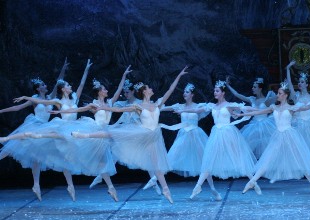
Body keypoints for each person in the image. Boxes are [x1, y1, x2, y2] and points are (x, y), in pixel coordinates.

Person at [71, 66, 189, 204]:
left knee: (157, 166)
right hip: (141, 133)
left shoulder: (157, 103)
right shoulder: (138, 107)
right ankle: (84, 135)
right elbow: (118, 109)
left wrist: (179, 76)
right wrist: (104, 107)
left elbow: (170, 90)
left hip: (154, 137)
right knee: (112, 133)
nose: (152, 89)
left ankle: (166, 190)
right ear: (145, 91)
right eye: (149, 88)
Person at [9, 59, 92, 201]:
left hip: (72, 129)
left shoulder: (75, 99)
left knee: (68, 156)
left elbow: (81, 84)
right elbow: (41, 101)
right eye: (68, 85)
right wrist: (25, 97)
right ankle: (40, 184)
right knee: (37, 153)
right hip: (58, 129)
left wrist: (86, 69)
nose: (70, 86)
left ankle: (70, 185)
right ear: (63, 89)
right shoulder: (57, 101)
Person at [49, 65, 133, 201]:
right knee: (92, 159)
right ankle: (101, 185)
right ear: (100, 92)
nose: (106, 90)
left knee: (104, 161)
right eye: (104, 89)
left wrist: (124, 75)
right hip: (95, 132)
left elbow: (118, 90)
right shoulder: (94, 104)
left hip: (106, 133)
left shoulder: (110, 102)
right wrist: (59, 112)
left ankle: (110, 187)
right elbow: (77, 110)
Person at [237, 82, 310, 198]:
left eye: (279, 93)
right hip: (278, 136)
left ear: (285, 95)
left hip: (290, 136)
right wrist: (242, 115)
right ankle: (251, 182)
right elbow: (258, 112)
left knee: (300, 160)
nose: (277, 95)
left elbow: (305, 107)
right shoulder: (274, 107)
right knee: (267, 160)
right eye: (278, 93)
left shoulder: (291, 108)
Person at [0, 58, 68, 201]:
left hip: (44, 128)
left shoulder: (50, 97)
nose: (45, 85)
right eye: (43, 84)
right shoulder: (34, 98)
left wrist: (63, 68)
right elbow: (17, 108)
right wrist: (1, 111)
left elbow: (59, 82)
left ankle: (36, 185)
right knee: (13, 146)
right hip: (34, 124)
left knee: (37, 157)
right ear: (38, 88)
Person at [183, 80, 261, 200]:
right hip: (216, 135)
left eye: (217, 90)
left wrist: (259, 111)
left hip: (228, 134)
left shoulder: (229, 105)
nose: (215, 92)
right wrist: (183, 110)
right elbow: (197, 110)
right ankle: (197, 187)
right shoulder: (212, 106)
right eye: (214, 90)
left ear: (223, 93)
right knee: (208, 160)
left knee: (239, 158)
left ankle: (254, 183)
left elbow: (244, 107)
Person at [144, 83, 221, 200]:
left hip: (196, 135)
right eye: (184, 92)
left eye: (187, 92)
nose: (184, 94)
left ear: (192, 94)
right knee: (171, 156)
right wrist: (153, 107)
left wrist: (185, 111)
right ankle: (154, 179)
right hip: (184, 135)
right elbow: (164, 108)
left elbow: (200, 110)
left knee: (205, 162)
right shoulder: (179, 106)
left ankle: (213, 188)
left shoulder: (198, 106)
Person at [225, 76, 276, 158]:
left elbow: (280, 96)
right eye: (253, 87)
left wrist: (285, 86)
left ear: (260, 88)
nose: (252, 88)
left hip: (265, 125)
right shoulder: (252, 99)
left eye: (254, 87)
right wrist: (228, 85)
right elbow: (237, 94)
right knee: (248, 145)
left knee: (268, 146)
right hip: (254, 124)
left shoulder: (267, 99)